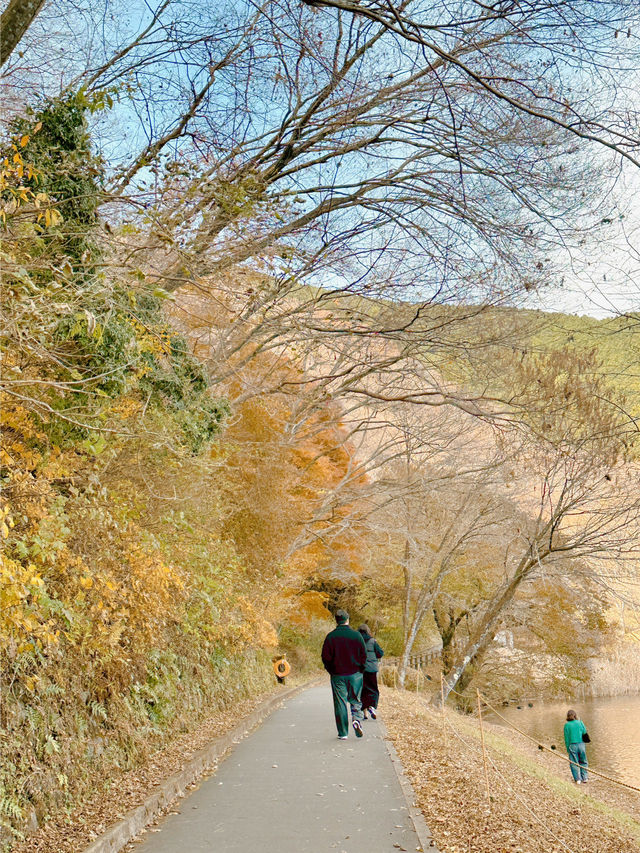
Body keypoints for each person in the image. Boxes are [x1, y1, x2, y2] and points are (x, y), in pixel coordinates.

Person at [321, 609, 366, 739]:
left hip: (338, 674)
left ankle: (343, 733)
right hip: (355, 674)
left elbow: (325, 657)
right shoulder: (356, 636)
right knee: (355, 699)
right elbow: (364, 655)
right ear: (348, 619)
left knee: (340, 702)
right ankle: (357, 719)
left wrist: (331, 670)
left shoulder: (331, 637)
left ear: (336, 620)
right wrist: (360, 669)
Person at [358, 624, 384, 719]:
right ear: (368, 631)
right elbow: (380, 653)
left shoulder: (357, 642)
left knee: (362, 691)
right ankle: (372, 707)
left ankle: (365, 714)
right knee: (373, 689)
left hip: (361, 670)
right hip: (372, 669)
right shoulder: (373, 641)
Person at [564, 709, 589, 784]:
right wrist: (581, 723)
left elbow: (566, 738)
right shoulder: (580, 722)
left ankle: (577, 779)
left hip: (572, 745)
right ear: (575, 715)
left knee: (574, 762)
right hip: (581, 744)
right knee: (583, 761)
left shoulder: (566, 725)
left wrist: (568, 748)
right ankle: (585, 778)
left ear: (568, 717)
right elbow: (585, 733)